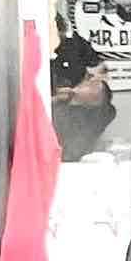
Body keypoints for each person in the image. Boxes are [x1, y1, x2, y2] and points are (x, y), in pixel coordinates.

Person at [50, 13, 116, 162]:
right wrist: (55, 99)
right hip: (53, 111)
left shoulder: (74, 45)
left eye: (57, 34)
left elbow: (102, 69)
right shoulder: (31, 52)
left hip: (83, 111)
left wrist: (85, 88)